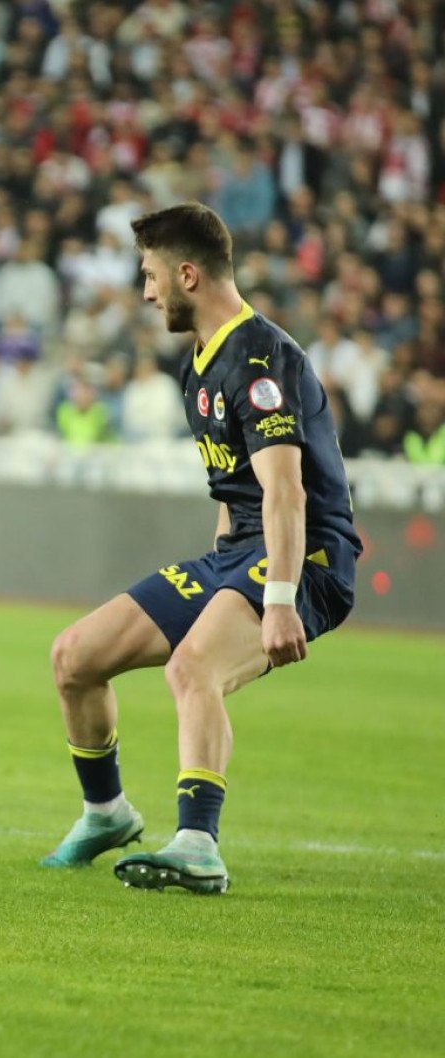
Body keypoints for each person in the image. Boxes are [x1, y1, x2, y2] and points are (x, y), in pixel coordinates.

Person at [40, 203, 361, 893]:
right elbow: (232, 489)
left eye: (151, 276)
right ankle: (106, 813)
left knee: (193, 669)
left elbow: (286, 492)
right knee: (74, 658)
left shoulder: (260, 359)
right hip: (239, 553)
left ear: (187, 274)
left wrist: (280, 600)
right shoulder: (199, 364)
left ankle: (198, 843)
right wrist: (219, 573)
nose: (146, 292)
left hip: (306, 558)